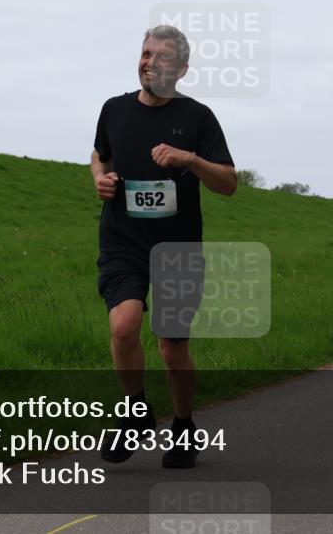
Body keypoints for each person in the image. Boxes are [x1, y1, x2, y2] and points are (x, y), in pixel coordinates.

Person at [91, 25, 236, 469]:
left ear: (182, 69)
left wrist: (189, 159)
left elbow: (229, 183)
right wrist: (99, 178)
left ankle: (183, 424)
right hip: (123, 242)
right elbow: (100, 155)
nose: (150, 62)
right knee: (123, 325)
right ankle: (136, 413)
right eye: (145, 52)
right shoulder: (113, 109)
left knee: (172, 347)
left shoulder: (198, 118)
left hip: (177, 249)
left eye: (162, 57)